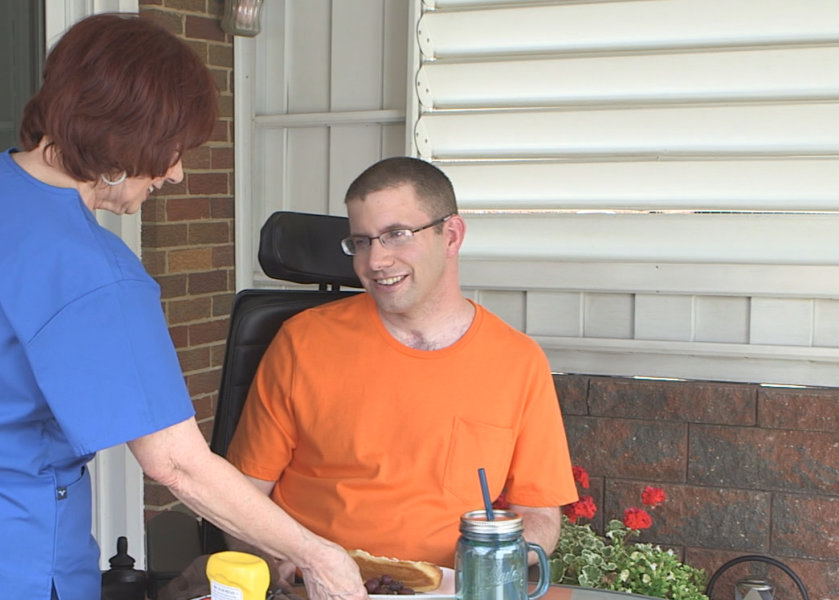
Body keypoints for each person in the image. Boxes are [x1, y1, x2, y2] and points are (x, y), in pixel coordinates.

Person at [0, 14, 367, 600]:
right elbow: (175, 464)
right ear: (124, 134)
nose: (175, 172)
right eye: (172, 149)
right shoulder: (94, 274)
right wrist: (313, 552)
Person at [225, 157, 577, 577]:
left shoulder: (517, 361)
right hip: (316, 585)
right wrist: (281, 564)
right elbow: (239, 499)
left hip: (445, 588)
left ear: (451, 235)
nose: (374, 261)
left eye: (396, 235)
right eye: (361, 241)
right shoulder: (301, 343)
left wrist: (482, 573)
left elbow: (539, 516)